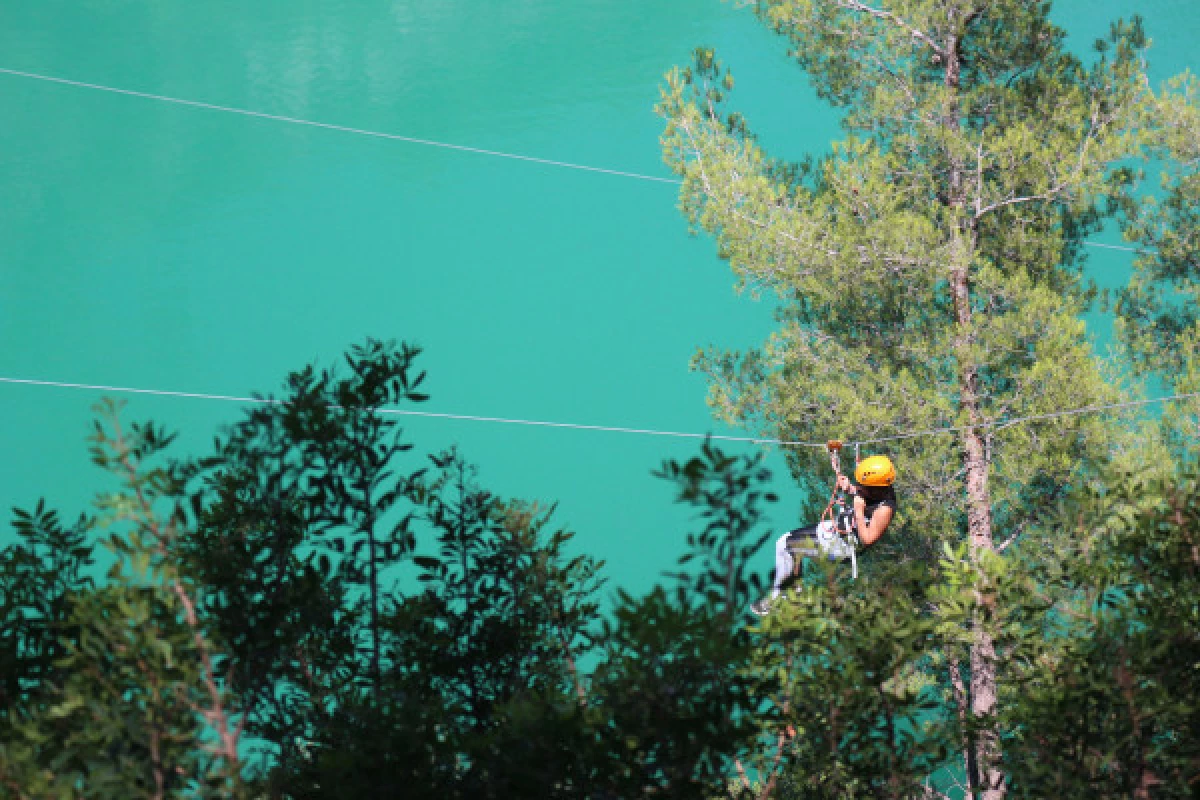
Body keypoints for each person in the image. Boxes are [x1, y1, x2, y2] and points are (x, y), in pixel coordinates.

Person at [750, 455, 897, 616]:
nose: (861, 487)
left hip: (843, 548)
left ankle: (779, 600)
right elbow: (865, 496)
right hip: (839, 532)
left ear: (877, 488)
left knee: (786, 546)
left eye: (864, 486)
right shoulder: (880, 490)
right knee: (787, 543)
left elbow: (868, 539)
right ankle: (794, 593)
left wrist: (858, 510)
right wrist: (850, 489)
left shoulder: (885, 509)